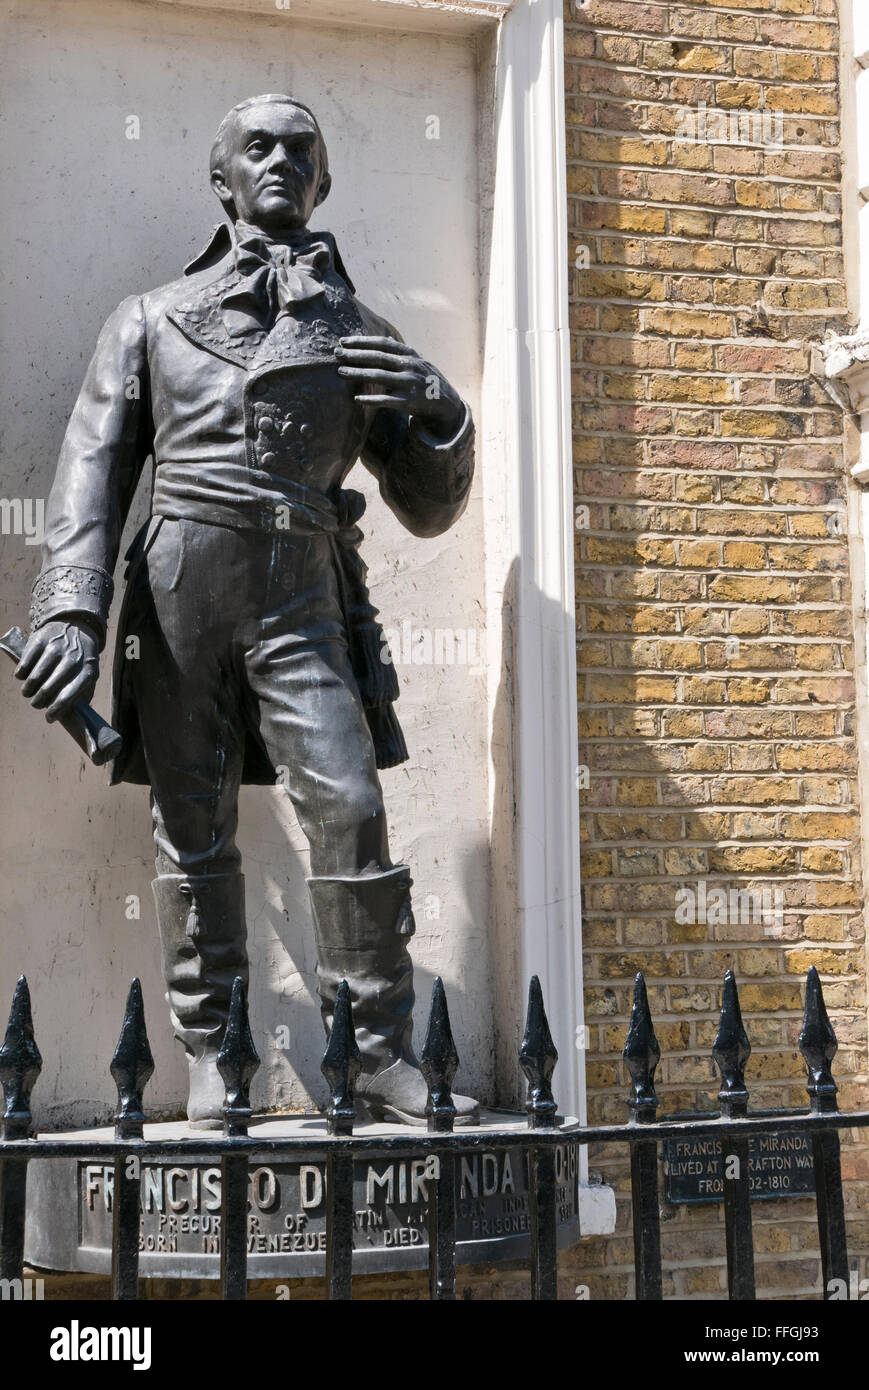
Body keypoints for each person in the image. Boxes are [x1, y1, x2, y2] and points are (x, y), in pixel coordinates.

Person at [17, 94, 478, 1128]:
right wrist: (71, 618)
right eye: (255, 147)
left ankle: (370, 1050)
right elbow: (91, 478)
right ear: (220, 180)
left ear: (323, 183)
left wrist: (439, 411)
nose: (278, 160)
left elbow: (425, 507)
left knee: (351, 808)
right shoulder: (147, 318)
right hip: (178, 591)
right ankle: (216, 1052)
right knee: (192, 831)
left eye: (299, 150)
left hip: (305, 594)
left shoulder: (359, 332)